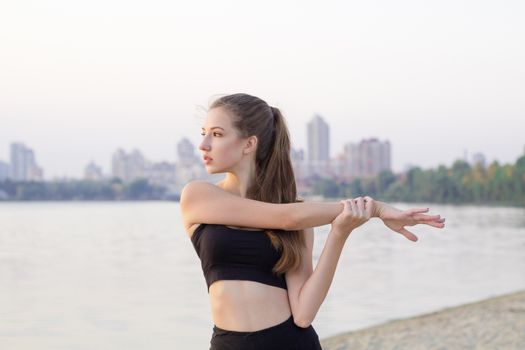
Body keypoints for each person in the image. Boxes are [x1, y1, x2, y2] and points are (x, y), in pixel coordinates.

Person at [180, 93, 445, 350]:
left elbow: (303, 314)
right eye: (203, 133)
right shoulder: (198, 196)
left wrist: (339, 233)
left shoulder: (299, 213)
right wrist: (373, 208)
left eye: (216, 134)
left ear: (249, 144)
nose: (203, 144)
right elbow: (285, 218)